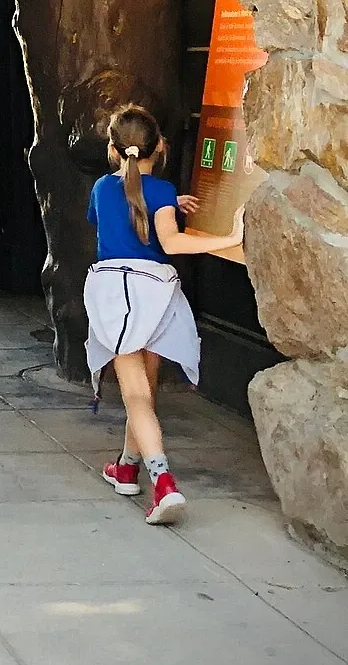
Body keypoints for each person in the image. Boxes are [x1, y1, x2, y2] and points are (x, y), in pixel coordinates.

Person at [87, 104, 244, 525]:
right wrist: (228, 238)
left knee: (136, 396)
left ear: (114, 150)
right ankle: (126, 468)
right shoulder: (162, 192)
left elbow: (116, 212)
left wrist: (162, 202)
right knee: (147, 392)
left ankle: (163, 483)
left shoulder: (101, 187)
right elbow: (170, 243)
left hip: (117, 294)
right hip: (156, 293)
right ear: (160, 147)